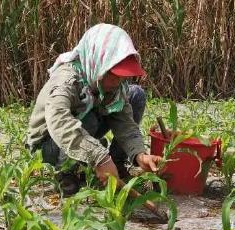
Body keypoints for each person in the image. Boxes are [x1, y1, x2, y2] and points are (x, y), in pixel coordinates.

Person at [27, 23, 162, 196]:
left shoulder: (110, 84)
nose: (118, 82)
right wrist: (99, 157)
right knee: (88, 121)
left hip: (83, 131)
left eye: (122, 77)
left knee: (135, 94)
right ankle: (66, 172)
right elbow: (59, 122)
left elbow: (124, 122)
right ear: (99, 63)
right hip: (50, 144)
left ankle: (116, 165)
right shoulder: (66, 81)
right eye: (114, 76)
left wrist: (139, 155)